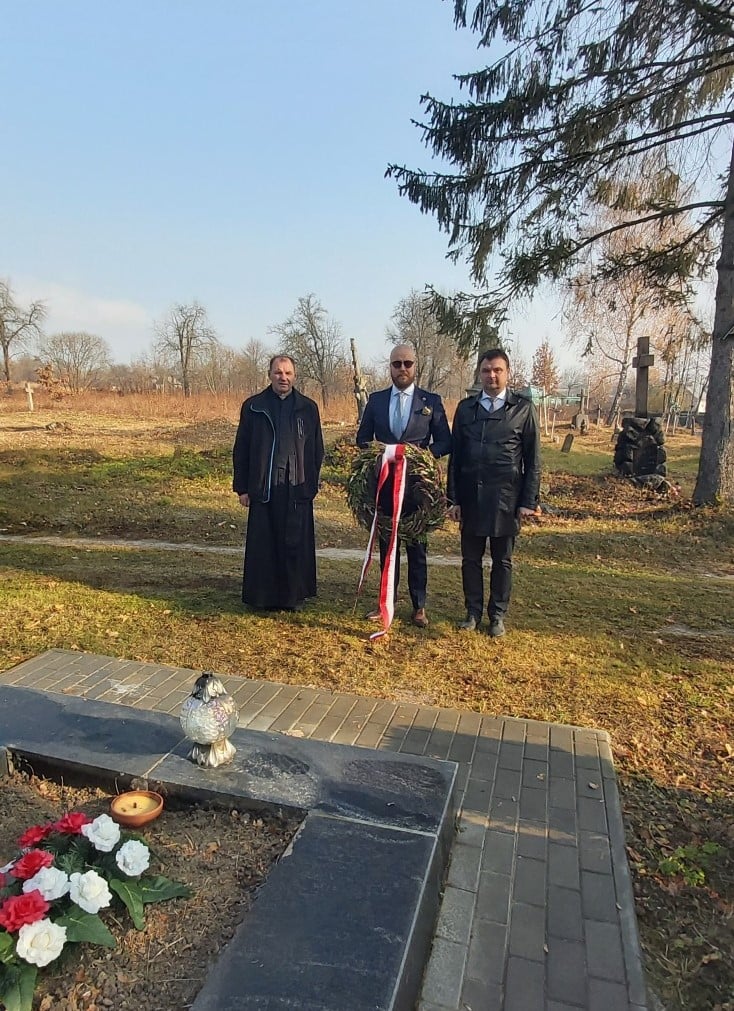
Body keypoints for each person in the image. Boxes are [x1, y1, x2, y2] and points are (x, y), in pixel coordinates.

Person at [356, 344, 451, 628]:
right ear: (390, 367)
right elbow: (362, 438)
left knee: (417, 549)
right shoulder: (376, 401)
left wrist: (420, 456)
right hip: (385, 485)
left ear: (415, 366)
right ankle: (386, 602)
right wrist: (380, 453)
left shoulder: (430, 401)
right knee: (388, 547)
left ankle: (419, 606)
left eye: (407, 363)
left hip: (418, 490)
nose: (402, 369)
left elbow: (446, 441)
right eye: (396, 364)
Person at [448, 348, 541, 637]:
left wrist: (528, 501)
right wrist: (453, 499)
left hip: (506, 498)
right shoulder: (466, 409)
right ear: (480, 373)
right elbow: (455, 458)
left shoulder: (523, 409)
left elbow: (533, 460)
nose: (492, 375)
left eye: (498, 370)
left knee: (502, 561)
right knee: (470, 560)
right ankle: (472, 612)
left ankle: (497, 615)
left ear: (507, 373)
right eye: (486, 370)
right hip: (471, 497)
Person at [232, 355, 324, 611]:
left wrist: (311, 484)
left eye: (288, 373)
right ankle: (263, 598)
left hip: (296, 486)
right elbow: (241, 449)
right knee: (265, 544)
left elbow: (317, 450)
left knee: (294, 543)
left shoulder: (308, 408)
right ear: (270, 375)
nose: (283, 378)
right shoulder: (254, 407)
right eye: (278, 373)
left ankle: (293, 597)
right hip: (264, 486)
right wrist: (242, 488)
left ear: (295, 376)